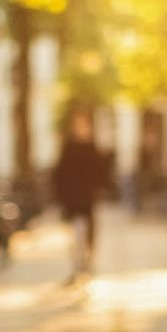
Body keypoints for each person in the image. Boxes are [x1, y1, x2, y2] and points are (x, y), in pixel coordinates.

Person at [53, 109, 109, 281]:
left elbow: (101, 171)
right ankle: (77, 265)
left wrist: (98, 188)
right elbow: (60, 173)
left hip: (87, 197)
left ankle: (88, 262)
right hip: (72, 198)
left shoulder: (91, 146)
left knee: (89, 229)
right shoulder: (68, 146)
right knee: (74, 232)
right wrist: (60, 195)